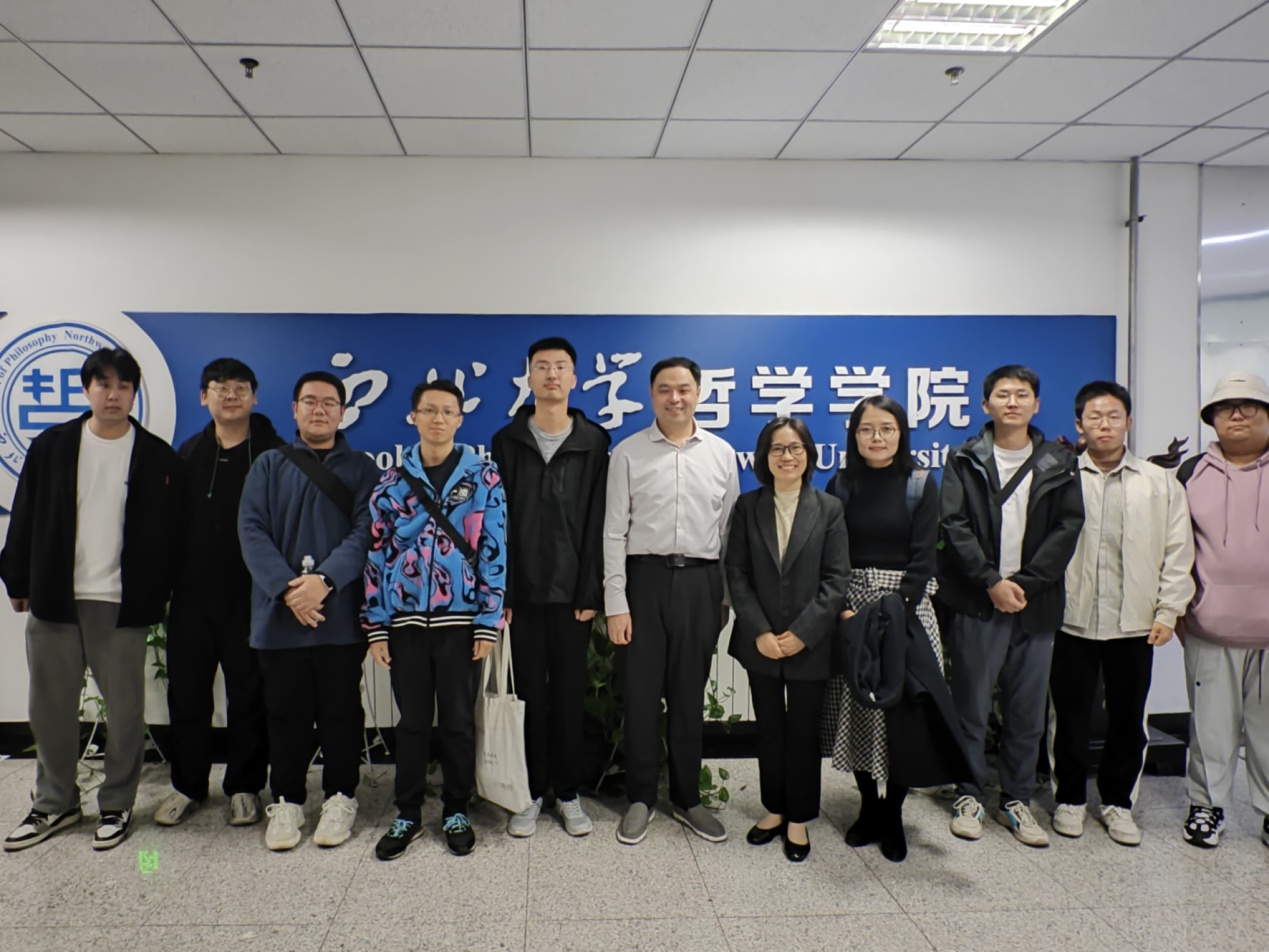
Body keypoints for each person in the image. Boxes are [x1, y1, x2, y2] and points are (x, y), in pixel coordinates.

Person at [2, 348, 183, 852]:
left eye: (123, 385)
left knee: (125, 712)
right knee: (50, 708)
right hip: (55, 597)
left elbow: (171, 536)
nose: (113, 394)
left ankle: (116, 804)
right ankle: (54, 803)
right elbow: (25, 512)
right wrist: (17, 578)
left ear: (134, 393)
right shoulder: (53, 445)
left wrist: (160, 592)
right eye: (103, 384)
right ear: (87, 389)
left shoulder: (156, 457)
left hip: (120, 603)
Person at [938, 364, 1084, 848]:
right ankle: (969, 793)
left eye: (1022, 394)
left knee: (1027, 710)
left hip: (1034, 606)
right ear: (986, 404)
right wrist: (991, 583)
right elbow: (953, 524)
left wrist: (1022, 584)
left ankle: (1017, 798)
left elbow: (1068, 528)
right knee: (971, 706)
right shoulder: (965, 458)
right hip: (978, 603)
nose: (1013, 402)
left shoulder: (1060, 462)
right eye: (1003, 394)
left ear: (1036, 405)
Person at [364, 379, 508, 860]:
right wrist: (376, 625)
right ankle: (407, 812)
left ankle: (456, 808)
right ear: (414, 417)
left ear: (460, 419)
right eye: (429, 410)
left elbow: (495, 548)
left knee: (459, 721)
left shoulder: (483, 477)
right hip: (404, 622)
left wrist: (488, 619)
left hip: (461, 622)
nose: (438, 418)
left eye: (448, 411)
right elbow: (376, 553)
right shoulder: (391, 481)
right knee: (411, 722)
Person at [1048, 381, 1194, 847]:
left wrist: (1169, 610)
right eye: (1094, 417)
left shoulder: (1158, 483)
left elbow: (1178, 550)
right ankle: (1069, 799)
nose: (1105, 425)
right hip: (1071, 619)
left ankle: (1118, 802)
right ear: (1079, 425)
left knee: (1128, 718)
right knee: (1068, 717)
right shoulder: (1061, 478)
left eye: (1114, 416)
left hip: (1134, 621)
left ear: (1128, 422)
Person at [238, 371, 379, 852]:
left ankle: (341, 797)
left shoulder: (362, 469)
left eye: (329, 403)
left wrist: (324, 582)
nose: (320, 410)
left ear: (343, 412)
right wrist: (288, 590)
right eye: (310, 402)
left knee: (341, 712)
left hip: (338, 616)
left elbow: (367, 532)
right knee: (284, 714)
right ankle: (288, 800)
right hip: (280, 618)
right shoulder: (268, 464)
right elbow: (251, 530)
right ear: (294, 409)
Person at [604, 356, 739, 846]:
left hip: (701, 585)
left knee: (687, 696)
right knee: (640, 696)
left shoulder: (721, 454)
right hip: (643, 582)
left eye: (683, 389)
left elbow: (729, 533)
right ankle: (640, 797)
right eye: (665, 389)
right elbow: (613, 532)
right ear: (651, 394)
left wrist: (724, 600)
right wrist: (615, 602)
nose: (674, 398)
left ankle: (687, 798)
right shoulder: (628, 453)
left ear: (698, 393)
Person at [155, 358, 284, 829]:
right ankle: (187, 785)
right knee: (187, 693)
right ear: (203, 397)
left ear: (254, 396)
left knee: (247, 693)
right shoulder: (188, 452)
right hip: (191, 596)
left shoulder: (274, 453)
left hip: (251, 595)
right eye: (219, 387)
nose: (230, 395)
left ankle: (245, 786)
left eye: (240, 387)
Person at [491, 338, 609, 838]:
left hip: (572, 598)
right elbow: (497, 523)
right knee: (528, 699)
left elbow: (599, 522)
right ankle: (531, 792)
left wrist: (590, 592)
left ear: (574, 378)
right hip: (522, 598)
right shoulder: (507, 441)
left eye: (561, 366)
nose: (552, 374)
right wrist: (504, 593)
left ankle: (568, 793)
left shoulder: (595, 442)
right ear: (530, 377)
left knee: (567, 696)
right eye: (542, 367)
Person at [822, 395, 939, 863]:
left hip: (907, 611)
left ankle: (893, 814)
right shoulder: (841, 483)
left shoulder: (920, 482)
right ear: (854, 435)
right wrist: (845, 610)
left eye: (887, 429)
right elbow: (832, 552)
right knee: (859, 710)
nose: (877, 437)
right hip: (854, 609)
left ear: (901, 433)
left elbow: (925, 555)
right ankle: (869, 808)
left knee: (904, 716)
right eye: (867, 429)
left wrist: (898, 609)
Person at [725, 417, 848, 862]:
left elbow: (836, 579)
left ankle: (799, 817)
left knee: (803, 732)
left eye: (796, 448)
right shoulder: (748, 506)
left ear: (809, 455)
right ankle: (775, 809)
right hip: (760, 641)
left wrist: (803, 633)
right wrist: (760, 631)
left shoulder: (829, 508)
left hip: (809, 643)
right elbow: (736, 573)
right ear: (764, 457)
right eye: (777, 449)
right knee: (769, 729)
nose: (787, 456)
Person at [1177, 371, 1269, 849]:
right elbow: (1176, 550)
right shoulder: (1190, 473)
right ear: (1210, 418)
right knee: (1210, 727)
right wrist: (1176, 612)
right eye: (1224, 407)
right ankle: (1206, 806)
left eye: (1248, 405)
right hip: (1210, 627)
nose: (1236, 415)